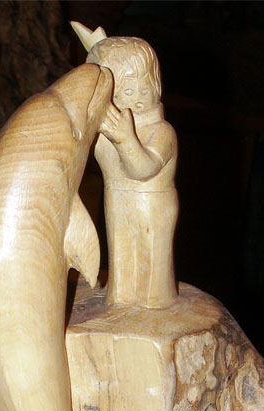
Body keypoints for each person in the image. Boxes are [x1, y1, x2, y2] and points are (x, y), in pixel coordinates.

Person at [87, 36, 179, 308]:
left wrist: (125, 140)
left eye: (145, 88)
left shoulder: (162, 131)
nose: (138, 99)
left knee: (151, 271)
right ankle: (120, 302)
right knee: (122, 259)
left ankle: (154, 308)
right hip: (118, 199)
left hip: (152, 204)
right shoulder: (112, 128)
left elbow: (142, 169)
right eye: (128, 92)